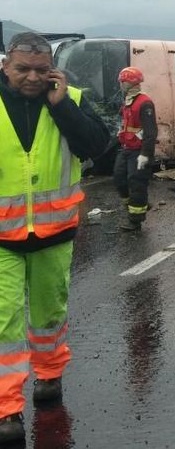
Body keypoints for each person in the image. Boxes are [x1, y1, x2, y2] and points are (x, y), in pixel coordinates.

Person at [0, 32, 109, 443]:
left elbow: (98, 146)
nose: (31, 78)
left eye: (40, 70)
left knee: (49, 314)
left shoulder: (72, 100)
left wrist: (62, 106)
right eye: (22, 69)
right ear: (5, 66)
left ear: (53, 69)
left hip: (54, 233)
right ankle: (6, 409)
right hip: (2, 240)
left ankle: (48, 375)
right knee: (3, 324)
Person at [114, 66, 157, 231]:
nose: (120, 85)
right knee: (119, 179)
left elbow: (150, 132)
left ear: (130, 83)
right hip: (126, 148)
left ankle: (135, 220)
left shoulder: (144, 102)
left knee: (136, 182)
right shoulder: (128, 101)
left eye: (123, 82)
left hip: (139, 150)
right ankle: (139, 204)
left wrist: (146, 154)